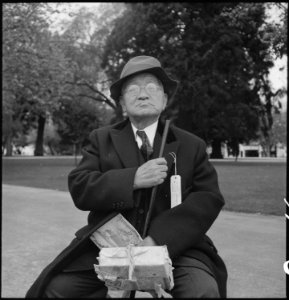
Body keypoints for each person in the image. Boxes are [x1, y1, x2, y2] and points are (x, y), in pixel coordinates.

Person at [26, 55, 228, 298]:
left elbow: (208, 198)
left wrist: (158, 239)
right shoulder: (102, 139)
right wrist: (132, 179)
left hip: (177, 247)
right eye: (133, 89)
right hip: (109, 247)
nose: (143, 94)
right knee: (53, 291)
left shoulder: (191, 145)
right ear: (122, 103)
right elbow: (80, 186)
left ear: (164, 100)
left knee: (203, 292)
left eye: (152, 88)